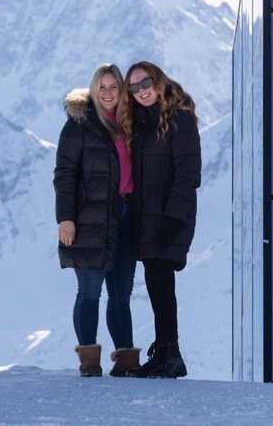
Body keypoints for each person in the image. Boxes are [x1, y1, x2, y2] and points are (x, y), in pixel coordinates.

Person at [53, 63, 141, 377]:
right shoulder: (80, 124)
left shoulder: (132, 122)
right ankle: (90, 361)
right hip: (89, 219)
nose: (107, 94)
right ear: (93, 89)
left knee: (121, 294)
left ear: (121, 90)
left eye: (113, 87)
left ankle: (126, 361)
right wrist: (65, 218)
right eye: (101, 87)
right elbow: (65, 174)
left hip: (127, 216)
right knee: (89, 292)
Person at [119, 60, 200, 379]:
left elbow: (188, 174)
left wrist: (172, 218)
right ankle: (166, 351)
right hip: (148, 218)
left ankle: (171, 354)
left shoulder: (179, 118)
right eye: (134, 87)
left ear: (158, 80)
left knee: (162, 284)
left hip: (168, 217)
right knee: (157, 284)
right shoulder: (140, 124)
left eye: (145, 82)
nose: (141, 91)